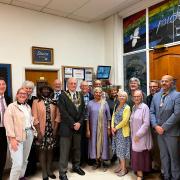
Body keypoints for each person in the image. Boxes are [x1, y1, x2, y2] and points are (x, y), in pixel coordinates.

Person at [150, 75, 180, 180]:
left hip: (171, 132)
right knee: (163, 156)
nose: (163, 83)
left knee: (174, 157)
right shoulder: (156, 96)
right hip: (159, 132)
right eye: (162, 81)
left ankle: (175, 177)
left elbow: (177, 114)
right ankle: (166, 176)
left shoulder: (177, 95)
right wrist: (155, 125)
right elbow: (151, 112)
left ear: (171, 83)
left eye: (166, 81)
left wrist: (163, 127)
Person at [58, 77, 85, 180]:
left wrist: (79, 123)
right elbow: (63, 112)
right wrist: (73, 123)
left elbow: (83, 111)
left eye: (75, 83)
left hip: (78, 127)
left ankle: (76, 166)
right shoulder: (62, 95)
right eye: (71, 83)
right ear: (67, 84)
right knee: (64, 151)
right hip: (67, 127)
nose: (73, 85)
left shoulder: (80, 95)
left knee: (77, 149)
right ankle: (62, 172)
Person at [4, 88, 34, 180]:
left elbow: (28, 120)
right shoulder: (11, 107)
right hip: (16, 137)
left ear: (27, 96)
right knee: (17, 163)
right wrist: (12, 139)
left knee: (25, 160)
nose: (22, 95)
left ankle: (21, 177)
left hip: (28, 134)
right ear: (17, 95)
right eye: (20, 93)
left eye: (25, 93)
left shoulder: (28, 107)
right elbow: (8, 123)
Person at [32, 85, 60, 180]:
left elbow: (58, 116)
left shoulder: (54, 101)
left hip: (51, 130)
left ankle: (49, 170)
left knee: (50, 150)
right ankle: (44, 171)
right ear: (40, 91)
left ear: (50, 91)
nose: (46, 91)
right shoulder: (36, 102)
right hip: (42, 130)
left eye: (48, 89)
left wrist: (55, 129)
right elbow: (34, 118)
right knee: (42, 151)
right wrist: (39, 132)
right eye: (44, 89)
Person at [86, 87, 111, 171]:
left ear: (101, 93)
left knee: (103, 143)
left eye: (100, 92)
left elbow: (108, 117)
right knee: (94, 143)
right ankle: (97, 161)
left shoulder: (105, 103)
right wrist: (88, 130)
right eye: (96, 92)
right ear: (93, 93)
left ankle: (103, 161)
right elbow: (87, 118)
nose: (98, 94)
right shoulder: (90, 103)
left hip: (103, 128)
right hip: (93, 128)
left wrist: (108, 128)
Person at [130, 90, 152, 180]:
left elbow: (146, 123)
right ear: (132, 98)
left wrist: (138, 135)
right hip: (134, 135)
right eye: (135, 96)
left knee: (140, 154)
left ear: (142, 97)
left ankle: (140, 175)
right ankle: (139, 171)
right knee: (137, 154)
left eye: (138, 96)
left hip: (141, 135)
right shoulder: (134, 107)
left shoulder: (145, 107)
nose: (136, 98)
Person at [111, 90, 131, 177]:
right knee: (118, 150)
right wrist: (112, 126)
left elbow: (125, 121)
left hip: (122, 132)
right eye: (120, 96)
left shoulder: (127, 107)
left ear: (126, 98)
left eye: (123, 96)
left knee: (121, 151)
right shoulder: (116, 105)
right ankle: (120, 166)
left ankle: (124, 169)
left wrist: (116, 128)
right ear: (118, 97)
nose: (121, 97)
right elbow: (113, 116)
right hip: (115, 131)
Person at [22, 80, 37, 177]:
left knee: (32, 149)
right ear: (23, 88)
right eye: (27, 88)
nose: (28, 90)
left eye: (30, 88)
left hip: (33, 128)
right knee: (23, 151)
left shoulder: (35, 99)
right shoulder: (20, 97)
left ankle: (31, 170)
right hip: (23, 128)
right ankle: (24, 172)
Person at [146, 80, 161, 172]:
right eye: (150, 87)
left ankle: (160, 167)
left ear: (158, 87)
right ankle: (154, 165)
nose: (152, 88)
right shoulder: (148, 98)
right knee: (151, 147)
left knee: (158, 148)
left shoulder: (162, 97)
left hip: (158, 126)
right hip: (149, 126)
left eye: (154, 86)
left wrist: (156, 125)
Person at [0, 77, 12, 180]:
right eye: (0, 84)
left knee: (3, 154)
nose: (2, 86)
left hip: (5, 130)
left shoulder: (8, 98)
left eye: (3, 84)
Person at [80, 81, 94, 166]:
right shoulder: (77, 95)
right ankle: (81, 160)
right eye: (83, 86)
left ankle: (90, 159)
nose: (85, 87)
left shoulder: (93, 96)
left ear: (89, 88)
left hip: (91, 121)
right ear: (80, 87)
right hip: (80, 121)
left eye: (86, 86)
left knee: (90, 141)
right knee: (81, 142)